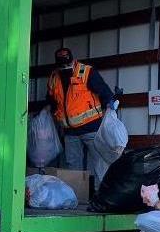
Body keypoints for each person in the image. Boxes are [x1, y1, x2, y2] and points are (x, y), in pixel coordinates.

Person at [45, 47, 114, 191]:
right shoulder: (53, 77)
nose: (64, 67)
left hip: (92, 128)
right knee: (73, 167)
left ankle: (102, 196)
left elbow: (104, 91)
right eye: (61, 64)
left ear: (72, 60)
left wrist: (110, 106)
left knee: (100, 163)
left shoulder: (86, 72)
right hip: (70, 132)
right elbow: (51, 100)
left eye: (66, 63)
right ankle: (75, 197)